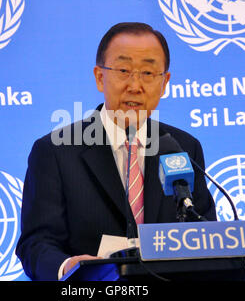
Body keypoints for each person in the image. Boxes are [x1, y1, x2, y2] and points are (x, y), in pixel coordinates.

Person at [15, 22, 216, 281]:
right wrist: (67, 267)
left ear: (164, 82)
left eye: (148, 72)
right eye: (123, 70)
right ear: (100, 77)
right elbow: (36, 244)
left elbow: (204, 235)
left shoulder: (184, 147)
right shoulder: (55, 151)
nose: (135, 85)